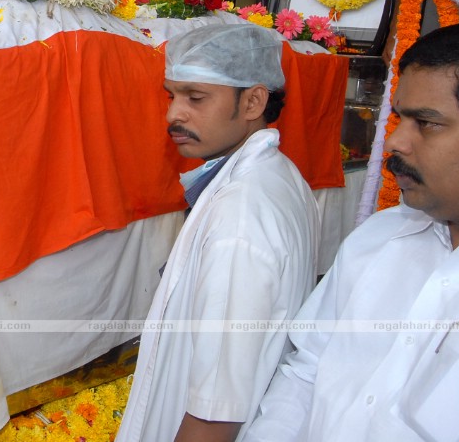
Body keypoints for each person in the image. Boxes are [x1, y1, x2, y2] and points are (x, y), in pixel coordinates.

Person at [243, 14, 459, 442]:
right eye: (400, 119)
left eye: (427, 123)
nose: (396, 142)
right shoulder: (377, 240)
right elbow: (305, 374)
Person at [116, 23, 320, 442]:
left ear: (253, 101)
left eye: (196, 97)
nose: (174, 113)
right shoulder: (278, 174)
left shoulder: (239, 218)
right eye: (171, 95)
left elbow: (214, 415)